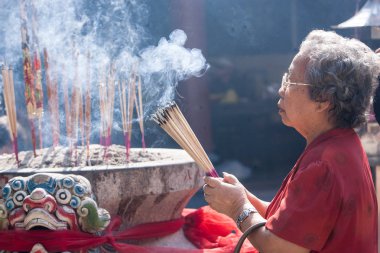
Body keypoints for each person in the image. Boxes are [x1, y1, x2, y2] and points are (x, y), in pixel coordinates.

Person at [203, 30, 379, 253]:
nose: (281, 89)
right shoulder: (342, 143)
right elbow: (291, 223)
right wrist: (244, 198)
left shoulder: (323, 163)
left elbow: (279, 247)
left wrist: (238, 206)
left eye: (291, 81)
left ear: (323, 100)